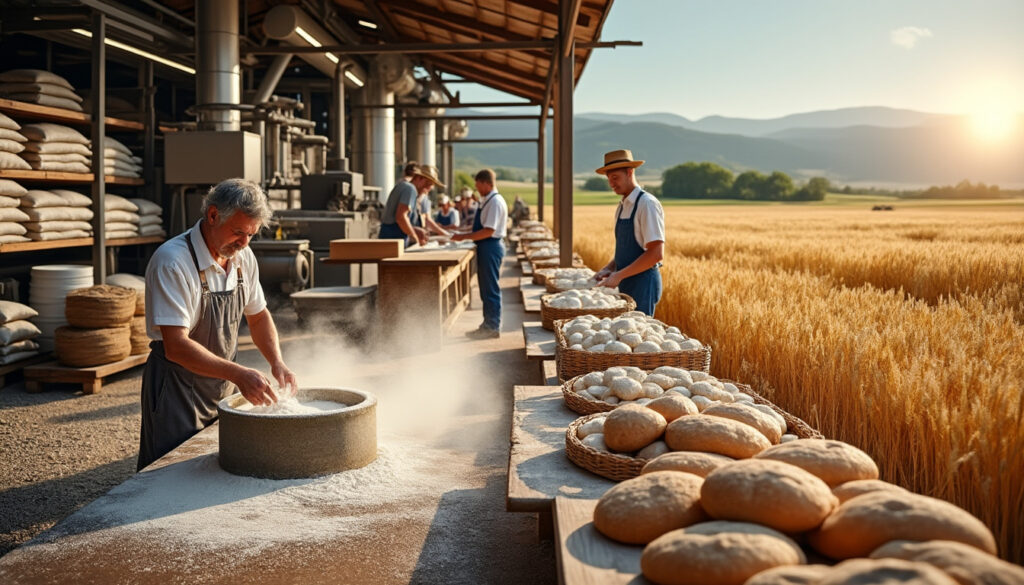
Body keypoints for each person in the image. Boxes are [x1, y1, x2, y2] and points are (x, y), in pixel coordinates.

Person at [138, 178, 297, 470]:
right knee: (169, 474)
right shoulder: (173, 262)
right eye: (238, 232)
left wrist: (277, 362)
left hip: (222, 385)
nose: (244, 243)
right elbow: (176, 346)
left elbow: (259, 315)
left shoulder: (242, 257)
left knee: (214, 469)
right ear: (212, 215)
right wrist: (239, 373)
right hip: (176, 390)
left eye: (251, 234)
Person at [593, 149, 665, 316]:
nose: (611, 183)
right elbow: (627, 250)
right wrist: (609, 268)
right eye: (609, 179)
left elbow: (655, 254)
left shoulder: (646, 204)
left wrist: (618, 276)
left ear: (630, 172)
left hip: (643, 284)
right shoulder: (622, 206)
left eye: (615, 178)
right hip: (625, 282)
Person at [452, 169, 508, 339]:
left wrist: (463, 237)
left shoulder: (495, 202)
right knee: (485, 288)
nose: (477, 189)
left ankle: (492, 326)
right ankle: (487, 323)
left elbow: (488, 231)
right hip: (486, 246)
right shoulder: (488, 201)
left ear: (486, 183)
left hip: (490, 246)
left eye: (478, 185)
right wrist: (463, 232)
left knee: (490, 288)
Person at [378, 165, 446, 246]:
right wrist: (415, 238)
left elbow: (396, 220)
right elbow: (401, 217)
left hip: (390, 240)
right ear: (419, 178)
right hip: (393, 243)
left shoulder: (403, 186)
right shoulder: (410, 189)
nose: (427, 189)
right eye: (427, 184)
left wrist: (415, 230)